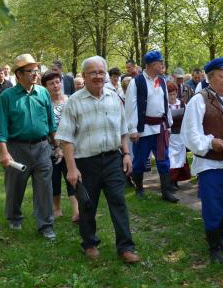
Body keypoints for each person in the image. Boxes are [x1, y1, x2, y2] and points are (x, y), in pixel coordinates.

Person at [56, 56, 140, 264]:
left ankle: (125, 247)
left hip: (113, 159)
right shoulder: (74, 101)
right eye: (92, 72)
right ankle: (90, 243)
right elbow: (66, 139)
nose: (98, 76)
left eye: (101, 72)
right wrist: (72, 169)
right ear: (83, 76)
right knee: (87, 205)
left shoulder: (113, 98)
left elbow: (123, 129)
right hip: (85, 162)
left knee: (118, 202)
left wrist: (127, 153)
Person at [180, 57, 223, 263]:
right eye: (222, 75)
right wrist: (210, 143)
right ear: (210, 78)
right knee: (214, 208)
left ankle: (219, 234)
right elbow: (190, 135)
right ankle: (214, 246)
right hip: (211, 165)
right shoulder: (198, 100)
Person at [0, 54, 58, 240]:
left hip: (42, 147)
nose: (35, 74)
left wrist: (57, 145)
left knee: (45, 189)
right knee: (15, 186)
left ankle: (46, 225)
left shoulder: (43, 93)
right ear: (18, 75)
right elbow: (1, 128)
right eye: (31, 71)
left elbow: (51, 122)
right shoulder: (7, 96)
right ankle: (14, 217)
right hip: (17, 149)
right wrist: (3, 152)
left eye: (36, 71)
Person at [124, 50, 178, 203]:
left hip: (160, 128)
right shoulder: (137, 82)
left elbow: (165, 104)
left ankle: (166, 192)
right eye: (160, 63)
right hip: (144, 129)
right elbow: (130, 107)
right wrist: (133, 130)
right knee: (140, 161)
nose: (162, 65)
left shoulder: (161, 81)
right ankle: (139, 188)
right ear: (153, 65)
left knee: (163, 160)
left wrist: (168, 125)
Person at [41, 72, 79, 223]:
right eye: (51, 83)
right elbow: (46, 126)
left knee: (73, 175)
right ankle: (57, 208)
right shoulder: (44, 103)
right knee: (54, 178)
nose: (55, 86)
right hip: (52, 147)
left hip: (71, 145)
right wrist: (58, 147)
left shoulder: (71, 100)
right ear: (46, 86)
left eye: (57, 82)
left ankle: (76, 210)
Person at [166, 82, 191, 189]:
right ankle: (170, 181)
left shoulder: (182, 104)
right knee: (171, 159)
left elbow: (188, 118)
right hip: (170, 136)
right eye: (170, 94)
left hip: (180, 135)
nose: (172, 96)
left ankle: (176, 180)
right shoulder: (164, 105)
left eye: (174, 94)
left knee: (180, 159)